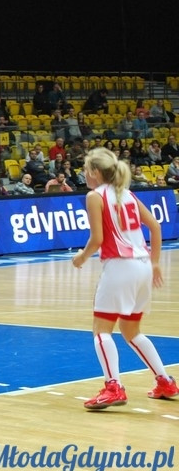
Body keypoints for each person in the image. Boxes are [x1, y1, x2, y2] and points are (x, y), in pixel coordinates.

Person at [72, 147, 178, 409]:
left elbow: (97, 239)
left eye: (86, 170)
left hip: (120, 266)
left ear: (95, 172)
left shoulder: (94, 196)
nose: (84, 174)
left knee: (101, 330)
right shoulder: (127, 194)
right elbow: (155, 226)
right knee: (132, 332)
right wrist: (154, 263)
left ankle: (113, 387)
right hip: (142, 266)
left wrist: (82, 258)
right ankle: (165, 381)